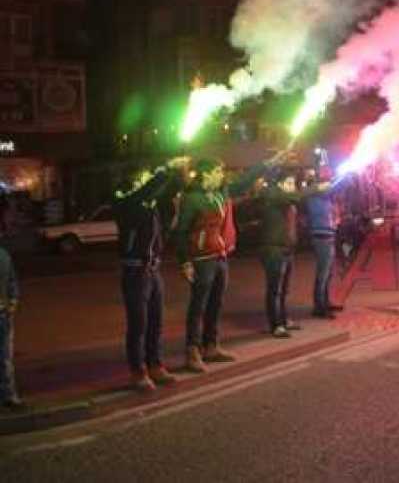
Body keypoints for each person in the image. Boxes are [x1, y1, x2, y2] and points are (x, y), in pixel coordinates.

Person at [175, 153, 285, 373]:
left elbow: (243, 182)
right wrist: (184, 262)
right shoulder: (192, 198)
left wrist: (267, 163)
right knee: (198, 306)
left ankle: (211, 346)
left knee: (216, 304)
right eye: (217, 171)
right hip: (201, 259)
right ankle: (192, 351)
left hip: (219, 256)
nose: (221, 175)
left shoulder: (220, 193)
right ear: (206, 173)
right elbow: (180, 232)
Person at [112, 156, 187, 391]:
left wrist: (179, 172)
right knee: (138, 324)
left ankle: (155, 364)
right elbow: (143, 196)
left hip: (154, 269)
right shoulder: (123, 198)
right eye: (146, 176)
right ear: (135, 179)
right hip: (135, 270)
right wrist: (164, 169)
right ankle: (138, 371)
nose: (150, 180)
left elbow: (169, 189)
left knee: (156, 322)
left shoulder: (149, 201)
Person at [256, 170, 327, 338]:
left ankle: (283, 319)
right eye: (288, 183)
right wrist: (316, 187)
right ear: (279, 184)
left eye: (293, 184)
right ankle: (276, 325)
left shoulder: (288, 200)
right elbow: (297, 195)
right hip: (273, 249)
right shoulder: (273, 195)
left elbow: (298, 198)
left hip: (286, 249)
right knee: (274, 289)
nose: (291, 187)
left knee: (284, 288)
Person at [302, 166, 339, 318]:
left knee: (328, 273)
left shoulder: (323, 197)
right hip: (321, 236)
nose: (326, 180)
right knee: (323, 273)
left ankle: (325, 302)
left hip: (328, 236)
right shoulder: (314, 194)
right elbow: (328, 188)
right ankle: (319, 306)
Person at [0, 243, 23, 410]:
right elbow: (12, 282)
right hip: (4, 313)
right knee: (5, 357)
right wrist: (12, 303)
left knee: (5, 357)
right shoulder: (3, 255)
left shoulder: (4, 256)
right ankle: (9, 395)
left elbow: (12, 281)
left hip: (3, 313)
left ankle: (9, 395)